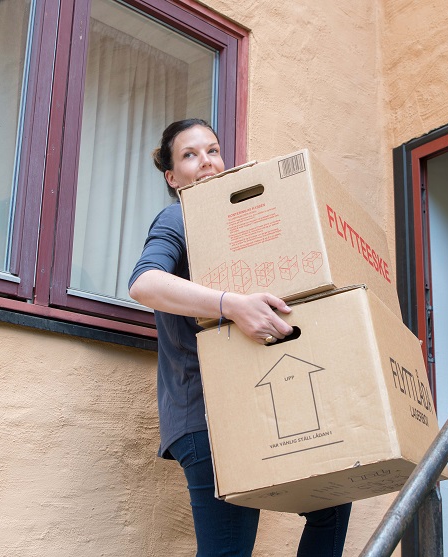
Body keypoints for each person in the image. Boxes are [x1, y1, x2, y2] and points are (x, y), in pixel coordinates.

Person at [129, 119, 352, 557]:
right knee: (228, 551)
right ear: (172, 178)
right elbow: (144, 283)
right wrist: (232, 304)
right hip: (206, 416)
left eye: (212, 151)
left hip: (257, 402)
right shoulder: (179, 216)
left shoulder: (233, 230)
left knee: (332, 502)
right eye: (190, 155)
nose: (206, 162)